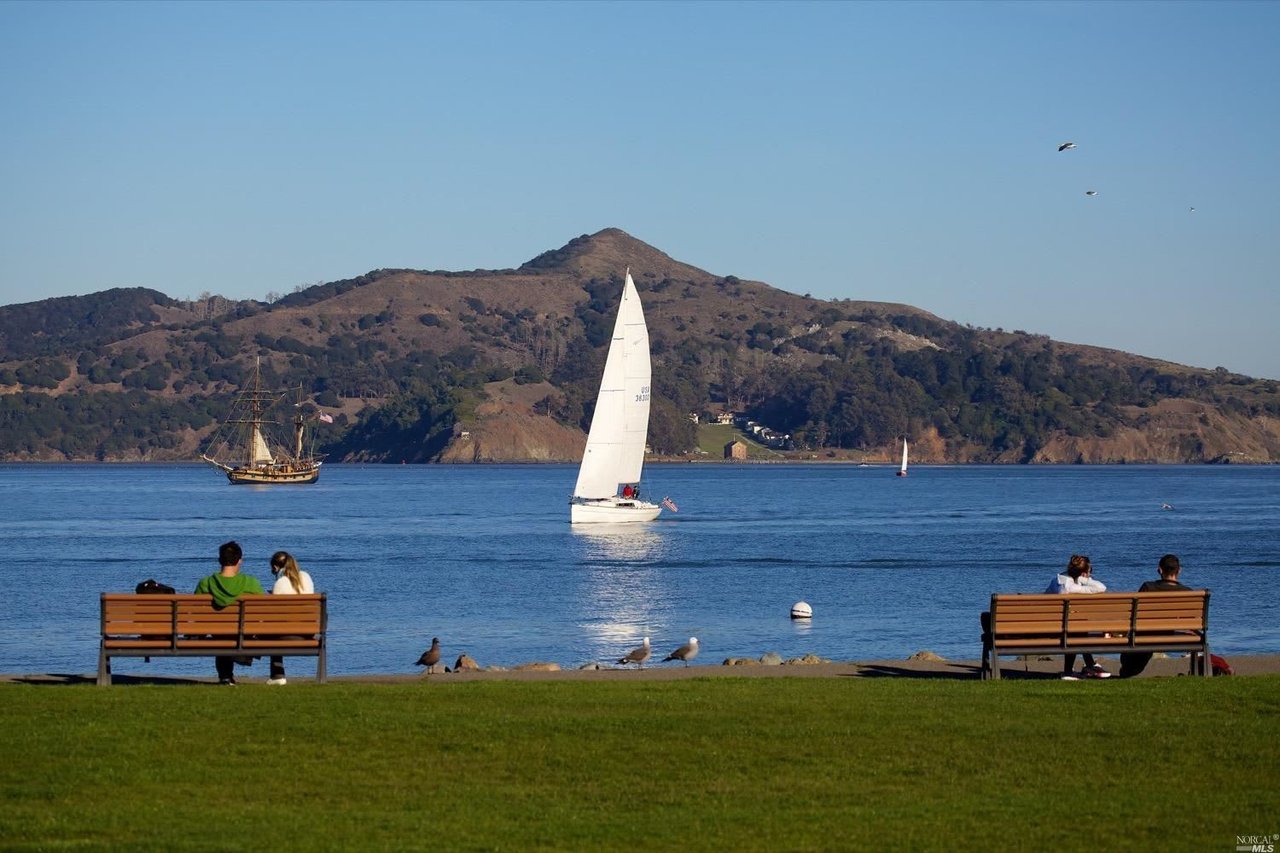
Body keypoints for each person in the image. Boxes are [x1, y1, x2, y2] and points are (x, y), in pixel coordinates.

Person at [194, 540, 264, 686]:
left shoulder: (205, 583)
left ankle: (225, 677)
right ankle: (229, 674)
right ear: (240, 561)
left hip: (216, 632)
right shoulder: (251, 583)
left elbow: (195, 613)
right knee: (233, 630)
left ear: (220, 560)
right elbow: (261, 613)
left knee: (221, 631)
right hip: (244, 632)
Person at [1119, 554, 1192, 678]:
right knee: (1135, 661)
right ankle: (1127, 671)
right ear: (1179, 570)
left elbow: (1136, 614)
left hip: (1147, 634)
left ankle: (1127, 671)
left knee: (1134, 659)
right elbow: (1191, 622)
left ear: (1160, 570)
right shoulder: (1188, 592)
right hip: (1169, 634)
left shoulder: (1148, 587)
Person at [1046, 554, 1111, 679]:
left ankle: (1083, 667)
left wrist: (1080, 577)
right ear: (1084, 573)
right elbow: (1101, 587)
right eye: (1089, 572)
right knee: (1077, 628)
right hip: (1061, 628)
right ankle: (1079, 668)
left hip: (1052, 623)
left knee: (1077, 625)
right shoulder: (1072, 587)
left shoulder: (1058, 580)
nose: (1090, 575)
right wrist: (1085, 580)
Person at [266, 550, 315, 686]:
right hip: (307, 632)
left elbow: (275, 614)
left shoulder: (280, 583)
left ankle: (277, 676)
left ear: (276, 568)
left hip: (285, 633)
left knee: (271, 629)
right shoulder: (306, 577)